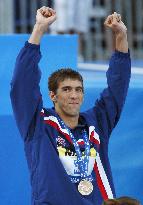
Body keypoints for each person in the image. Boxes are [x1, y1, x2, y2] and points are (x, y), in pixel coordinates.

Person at [10, 6, 131, 205]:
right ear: (53, 95)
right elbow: (21, 84)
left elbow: (118, 86)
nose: (73, 95)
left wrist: (121, 35)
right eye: (66, 89)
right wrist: (39, 28)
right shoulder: (39, 125)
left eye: (78, 90)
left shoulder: (97, 123)